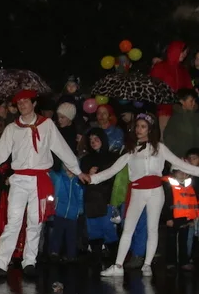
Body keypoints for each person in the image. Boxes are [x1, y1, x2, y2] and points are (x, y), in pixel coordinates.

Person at [0, 89, 80, 278]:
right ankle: (1, 263)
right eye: (19, 103)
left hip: (39, 180)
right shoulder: (12, 128)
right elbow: (1, 153)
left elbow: (62, 148)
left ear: (34, 104)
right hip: (19, 179)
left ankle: (30, 261)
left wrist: (78, 170)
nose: (22, 105)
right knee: (13, 221)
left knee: (35, 222)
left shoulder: (47, 125)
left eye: (26, 101)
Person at [85, 114, 199, 276]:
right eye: (137, 126)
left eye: (143, 126)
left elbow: (181, 164)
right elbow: (112, 170)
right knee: (128, 228)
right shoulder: (130, 150)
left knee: (152, 228)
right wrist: (92, 179)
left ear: (150, 129)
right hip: (138, 191)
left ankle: (147, 265)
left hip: (156, 191)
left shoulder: (159, 148)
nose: (139, 129)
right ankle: (118, 266)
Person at [80, 127, 118, 266]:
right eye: (90, 140)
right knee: (93, 229)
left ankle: (115, 259)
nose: (93, 142)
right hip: (91, 199)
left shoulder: (112, 157)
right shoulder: (86, 160)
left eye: (96, 139)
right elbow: (81, 180)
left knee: (108, 228)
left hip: (106, 198)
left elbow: (114, 178)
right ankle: (96, 259)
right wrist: (88, 174)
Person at [151, 40, 192, 130]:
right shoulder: (160, 67)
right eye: (182, 51)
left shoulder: (183, 70)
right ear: (175, 50)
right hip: (164, 109)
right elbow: (153, 87)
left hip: (180, 110)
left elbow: (189, 89)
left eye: (186, 53)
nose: (184, 54)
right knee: (164, 134)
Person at [162, 88, 199, 158]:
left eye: (194, 100)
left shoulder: (196, 116)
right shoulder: (175, 118)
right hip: (180, 156)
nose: (194, 103)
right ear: (182, 101)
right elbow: (168, 137)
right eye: (191, 101)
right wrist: (175, 153)